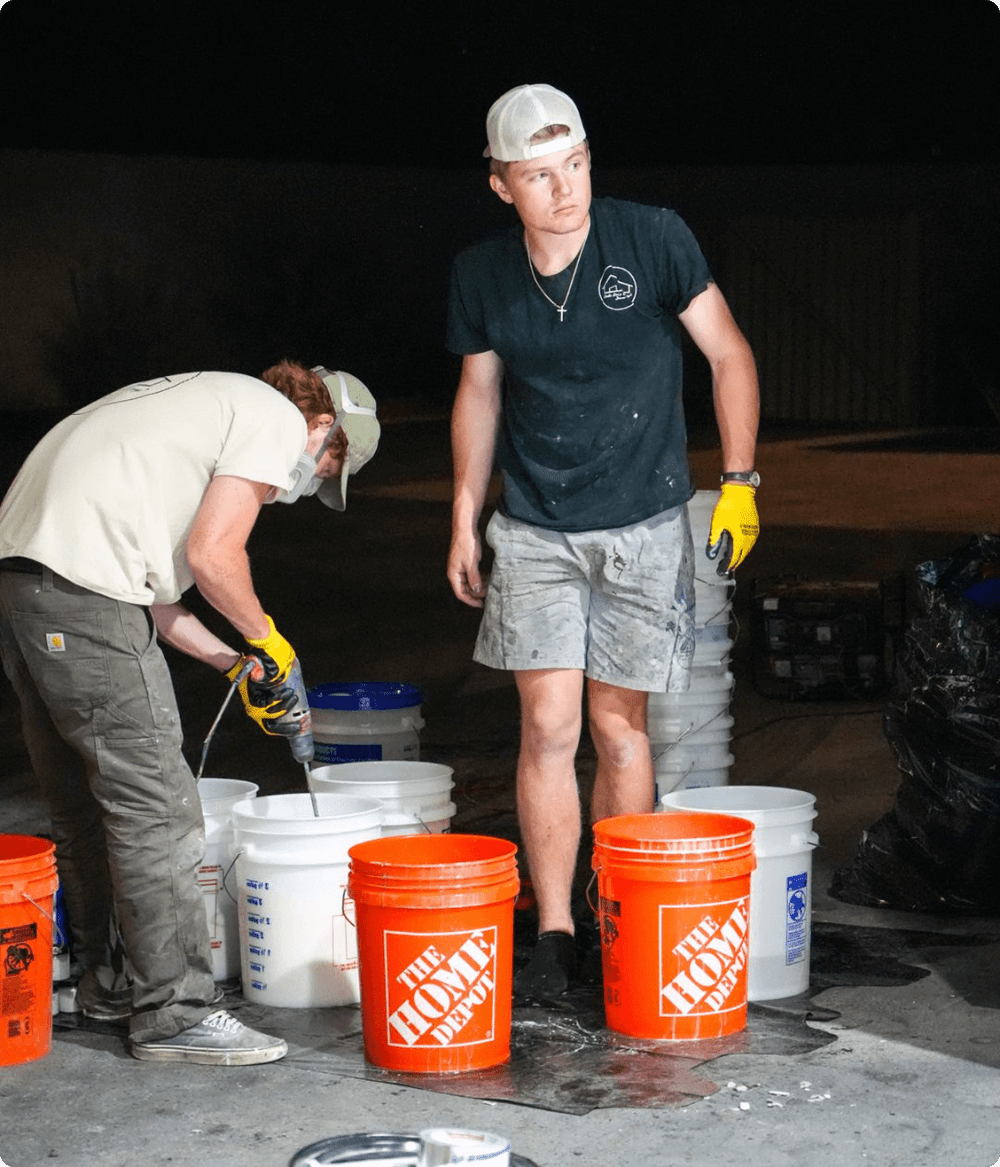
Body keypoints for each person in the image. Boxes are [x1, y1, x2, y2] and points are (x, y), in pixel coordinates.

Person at [446, 84, 760, 999]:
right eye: (538, 175)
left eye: (575, 165)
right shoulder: (483, 274)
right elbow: (479, 392)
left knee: (619, 729)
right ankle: (553, 934)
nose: (564, 189)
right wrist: (464, 511)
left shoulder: (654, 237)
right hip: (538, 527)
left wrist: (739, 483)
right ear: (503, 185)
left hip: (642, 522)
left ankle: (614, 912)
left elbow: (729, 353)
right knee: (546, 726)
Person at [0, 360, 380, 1063]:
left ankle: (110, 987)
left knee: (86, 804)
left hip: (26, 588)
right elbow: (215, 556)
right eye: (326, 469)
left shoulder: (197, 409)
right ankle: (174, 1012)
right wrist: (266, 636)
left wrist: (236, 666)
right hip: (84, 597)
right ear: (324, 428)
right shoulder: (272, 416)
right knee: (160, 808)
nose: (302, 488)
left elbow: (161, 602)